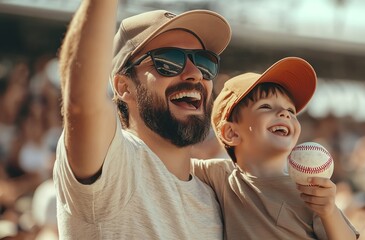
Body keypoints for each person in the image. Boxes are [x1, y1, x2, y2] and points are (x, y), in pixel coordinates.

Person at [53, 0, 231, 238]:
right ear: (124, 87)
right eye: (168, 61)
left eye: (205, 63)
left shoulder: (215, 193)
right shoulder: (116, 166)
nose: (195, 74)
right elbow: (81, 104)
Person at [192, 57, 360, 239]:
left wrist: (329, 211)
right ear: (231, 133)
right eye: (265, 106)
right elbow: (165, 157)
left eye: (291, 110)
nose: (284, 114)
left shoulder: (309, 192)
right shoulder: (221, 176)